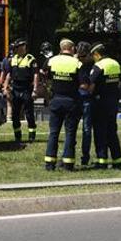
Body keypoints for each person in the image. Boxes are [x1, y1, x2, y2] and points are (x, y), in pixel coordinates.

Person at [44, 39, 82, 171]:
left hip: (56, 100)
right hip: (71, 101)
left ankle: (49, 163)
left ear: (61, 49)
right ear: (72, 49)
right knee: (70, 133)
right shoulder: (77, 63)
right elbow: (83, 84)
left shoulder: (51, 61)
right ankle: (68, 163)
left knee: (53, 132)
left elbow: (46, 77)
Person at [89, 43, 121, 169]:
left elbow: (91, 87)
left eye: (93, 55)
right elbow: (118, 84)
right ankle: (117, 160)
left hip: (100, 103)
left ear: (97, 54)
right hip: (113, 102)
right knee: (112, 132)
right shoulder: (116, 64)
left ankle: (101, 161)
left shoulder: (98, 66)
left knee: (100, 132)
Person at [2, 39, 39, 142]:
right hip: (16, 89)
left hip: (27, 88)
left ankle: (32, 136)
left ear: (23, 47)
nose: (16, 49)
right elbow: (9, 75)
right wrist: (5, 87)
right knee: (15, 114)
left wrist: (35, 89)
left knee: (29, 113)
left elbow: (36, 74)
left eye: (18, 47)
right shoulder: (13, 59)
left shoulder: (31, 59)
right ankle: (17, 136)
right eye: (16, 48)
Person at [75, 41, 95, 166]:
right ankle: (69, 155)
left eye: (83, 56)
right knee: (71, 128)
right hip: (77, 98)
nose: (81, 58)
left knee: (87, 129)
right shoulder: (75, 63)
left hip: (87, 99)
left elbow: (90, 85)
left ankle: (85, 156)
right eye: (79, 56)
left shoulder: (94, 65)